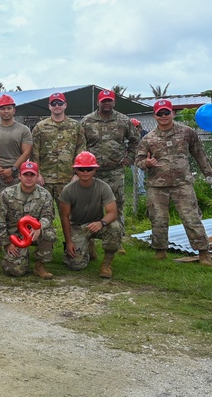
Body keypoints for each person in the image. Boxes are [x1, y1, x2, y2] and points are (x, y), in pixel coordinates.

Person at [134, 99, 212, 264]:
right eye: (160, 113)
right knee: (158, 218)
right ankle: (160, 250)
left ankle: (203, 252)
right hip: (157, 185)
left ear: (172, 113)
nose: (163, 116)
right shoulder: (148, 138)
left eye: (166, 112)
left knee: (191, 217)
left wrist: (209, 173)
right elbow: (139, 160)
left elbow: (199, 153)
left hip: (182, 183)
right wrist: (147, 163)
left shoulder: (187, 132)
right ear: (155, 116)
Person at [81, 89, 141, 231]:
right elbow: (80, 144)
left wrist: (130, 158)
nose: (106, 103)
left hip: (115, 171)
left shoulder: (123, 120)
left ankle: (117, 236)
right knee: (90, 204)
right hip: (91, 172)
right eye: (104, 101)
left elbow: (135, 141)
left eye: (109, 101)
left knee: (117, 203)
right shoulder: (87, 121)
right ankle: (90, 238)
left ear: (114, 102)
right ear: (98, 102)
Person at [59, 152, 122, 278]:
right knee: (76, 265)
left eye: (89, 169)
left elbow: (113, 213)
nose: (85, 172)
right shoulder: (68, 190)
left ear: (95, 170)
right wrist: (69, 241)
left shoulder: (103, 187)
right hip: (77, 227)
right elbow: (64, 217)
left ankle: (106, 264)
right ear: (76, 170)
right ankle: (87, 246)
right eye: (81, 169)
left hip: (97, 224)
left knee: (115, 227)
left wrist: (101, 223)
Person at [0, 161, 56, 279]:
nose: (29, 178)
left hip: (34, 233)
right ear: (19, 176)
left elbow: (48, 217)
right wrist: (6, 243)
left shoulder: (45, 195)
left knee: (49, 234)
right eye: (25, 175)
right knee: (16, 271)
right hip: (15, 236)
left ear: (37, 176)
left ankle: (40, 266)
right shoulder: (7, 194)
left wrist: (39, 227)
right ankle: (15, 259)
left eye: (32, 175)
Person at [31, 91, 86, 208]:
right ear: (49, 106)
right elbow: (34, 151)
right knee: (42, 212)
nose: (57, 106)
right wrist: (37, 174)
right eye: (54, 103)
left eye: (60, 103)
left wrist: (77, 174)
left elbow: (81, 150)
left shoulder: (75, 126)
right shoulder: (40, 127)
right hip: (45, 179)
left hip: (68, 178)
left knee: (69, 214)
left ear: (65, 105)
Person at [0, 94, 33, 219]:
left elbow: (26, 152)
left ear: (14, 110)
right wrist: (1, 172)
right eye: (2, 108)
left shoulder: (23, 130)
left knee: (18, 210)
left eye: (9, 108)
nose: (6, 111)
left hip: (16, 176)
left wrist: (12, 170)